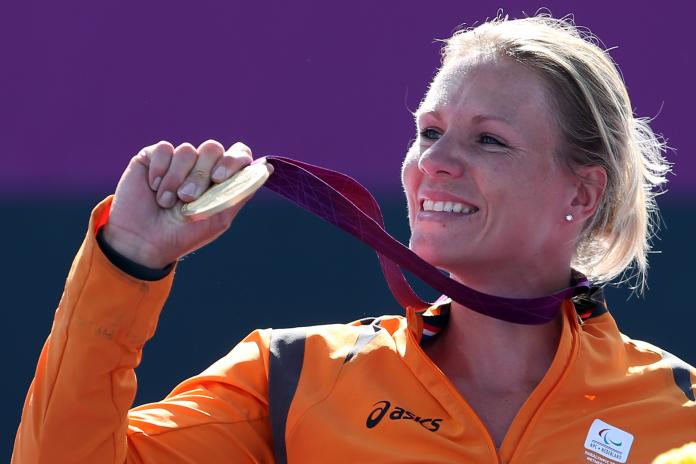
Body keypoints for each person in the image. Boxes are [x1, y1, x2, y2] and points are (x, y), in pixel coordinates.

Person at [12, 13, 695, 463]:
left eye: (488, 140)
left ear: (581, 193)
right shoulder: (291, 377)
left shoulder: (678, 414)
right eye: (429, 132)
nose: (433, 162)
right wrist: (127, 260)